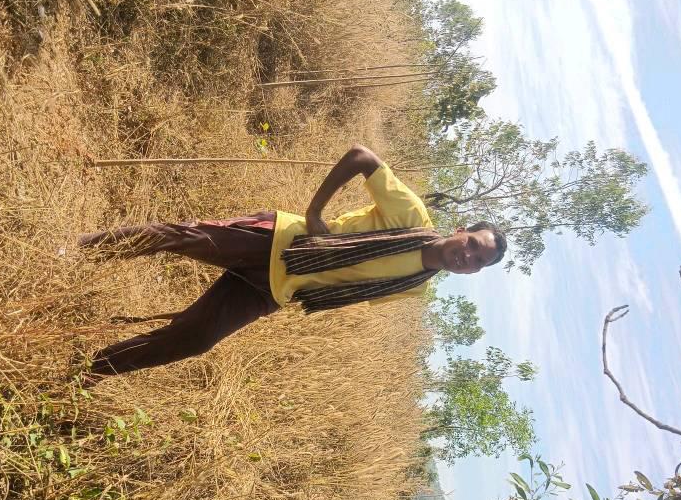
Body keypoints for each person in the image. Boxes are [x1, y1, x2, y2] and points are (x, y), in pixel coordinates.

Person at [77, 145, 506, 382]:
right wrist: (315, 211)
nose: (467, 256)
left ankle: (93, 370)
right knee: (179, 238)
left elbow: (348, 285)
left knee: (195, 339)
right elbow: (361, 156)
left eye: (477, 261)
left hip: (275, 289)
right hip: (279, 241)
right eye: (472, 244)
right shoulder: (411, 215)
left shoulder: (416, 285)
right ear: (461, 230)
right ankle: (79, 250)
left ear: (472, 272)